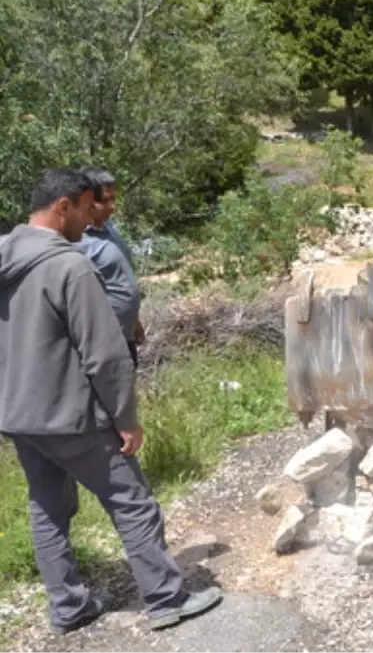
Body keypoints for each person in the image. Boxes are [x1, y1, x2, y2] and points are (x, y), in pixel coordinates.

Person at [0, 169, 221, 635]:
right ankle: (166, 599)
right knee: (132, 502)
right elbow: (104, 355)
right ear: (64, 206)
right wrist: (126, 418)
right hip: (72, 414)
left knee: (47, 509)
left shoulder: (4, 257)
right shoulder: (71, 266)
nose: (90, 220)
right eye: (85, 208)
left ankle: (68, 607)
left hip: (19, 414)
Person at [76, 167, 143, 368]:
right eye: (104, 201)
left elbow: (120, 277)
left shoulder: (110, 229)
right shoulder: (77, 241)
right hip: (105, 341)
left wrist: (135, 322)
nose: (112, 207)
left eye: (113, 199)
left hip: (126, 333)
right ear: (87, 201)